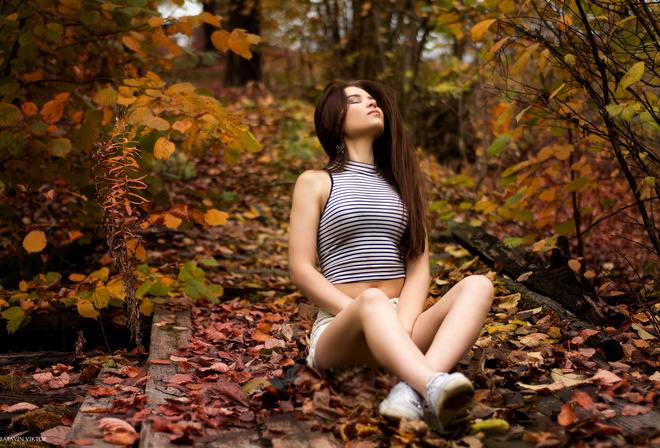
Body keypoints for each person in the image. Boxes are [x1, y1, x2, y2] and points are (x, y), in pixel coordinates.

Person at [288, 79, 494, 427]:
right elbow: (301, 269)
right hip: (343, 327)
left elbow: (418, 269)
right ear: (334, 119)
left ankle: (407, 394)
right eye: (356, 100)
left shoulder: (402, 185)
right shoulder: (315, 181)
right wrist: (369, 313)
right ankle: (430, 383)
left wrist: (401, 326)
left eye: (374, 100)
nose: (372, 104)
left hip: (402, 320)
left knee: (479, 285)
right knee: (371, 300)